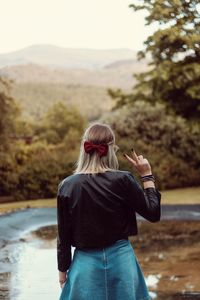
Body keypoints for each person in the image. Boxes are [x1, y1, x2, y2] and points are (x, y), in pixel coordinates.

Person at [57, 122, 161, 300]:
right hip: (121, 260)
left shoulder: (67, 185)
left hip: (85, 264)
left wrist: (62, 273)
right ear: (111, 149)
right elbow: (153, 213)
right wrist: (146, 175)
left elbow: (63, 236)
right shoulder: (123, 180)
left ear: (84, 148)